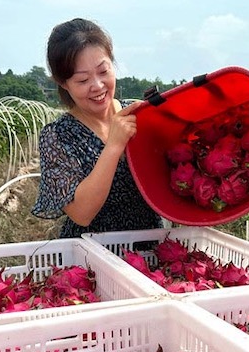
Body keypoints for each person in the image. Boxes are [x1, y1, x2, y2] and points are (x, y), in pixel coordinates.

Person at [31, 18, 163, 238]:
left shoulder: (139, 116)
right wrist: (114, 146)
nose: (98, 86)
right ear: (64, 83)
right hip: (91, 259)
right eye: (83, 80)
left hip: (149, 249)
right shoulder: (58, 137)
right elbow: (82, 213)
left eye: (103, 72)